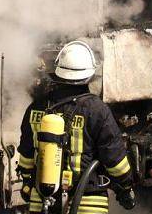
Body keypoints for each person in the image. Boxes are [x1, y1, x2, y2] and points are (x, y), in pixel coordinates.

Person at [16, 40, 136, 214]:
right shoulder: (97, 110)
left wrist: (27, 182)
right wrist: (125, 188)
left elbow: (26, 153)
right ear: (89, 75)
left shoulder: (37, 107)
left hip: (42, 199)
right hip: (88, 202)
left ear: (57, 73)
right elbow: (115, 160)